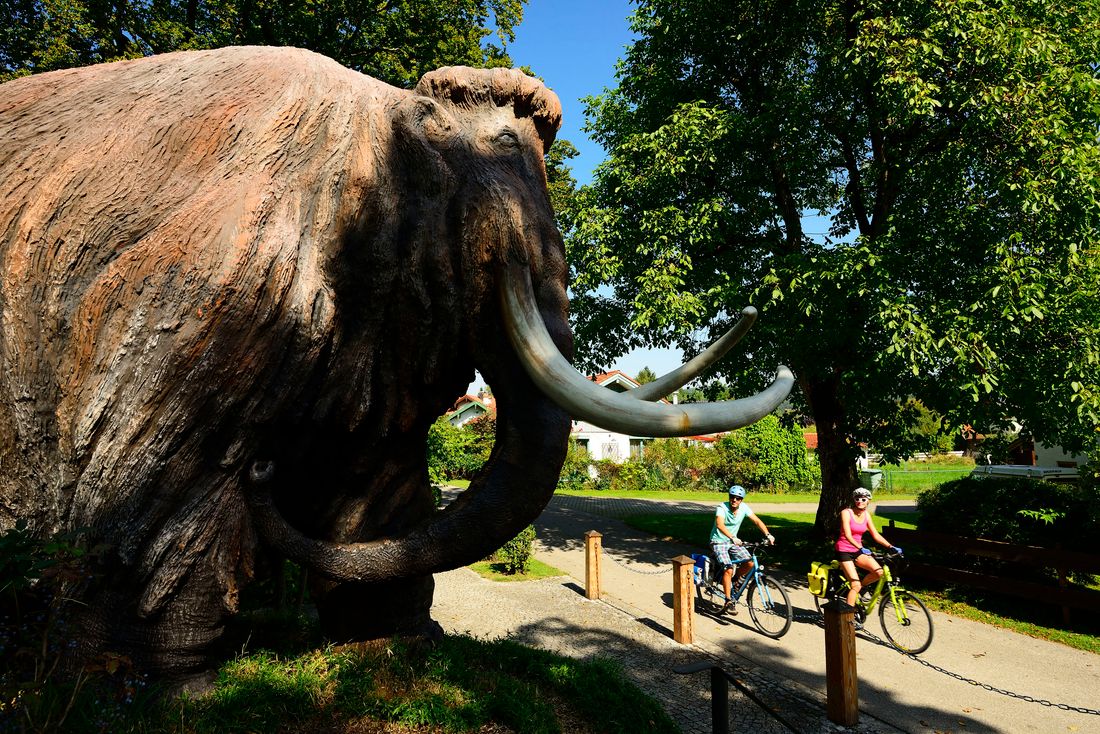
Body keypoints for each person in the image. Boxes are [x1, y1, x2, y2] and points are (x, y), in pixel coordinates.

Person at [710, 484, 775, 614]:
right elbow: (719, 524)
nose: (734, 500)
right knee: (728, 568)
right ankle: (728, 600)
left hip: (733, 542)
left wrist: (768, 534)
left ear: (742, 500)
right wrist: (732, 537)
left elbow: (757, 521)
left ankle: (736, 581)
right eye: (732, 497)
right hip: (718, 542)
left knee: (750, 562)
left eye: (738, 498)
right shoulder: (722, 507)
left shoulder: (744, 508)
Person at [835, 487, 901, 609]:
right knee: (855, 585)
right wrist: (861, 548)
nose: (860, 501)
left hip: (857, 551)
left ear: (868, 501)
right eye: (857, 499)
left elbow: (875, 535)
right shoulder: (846, 512)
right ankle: (848, 618)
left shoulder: (866, 515)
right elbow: (847, 535)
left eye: (863, 499)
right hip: (844, 550)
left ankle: (861, 590)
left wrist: (891, 547)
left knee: (879, 572)